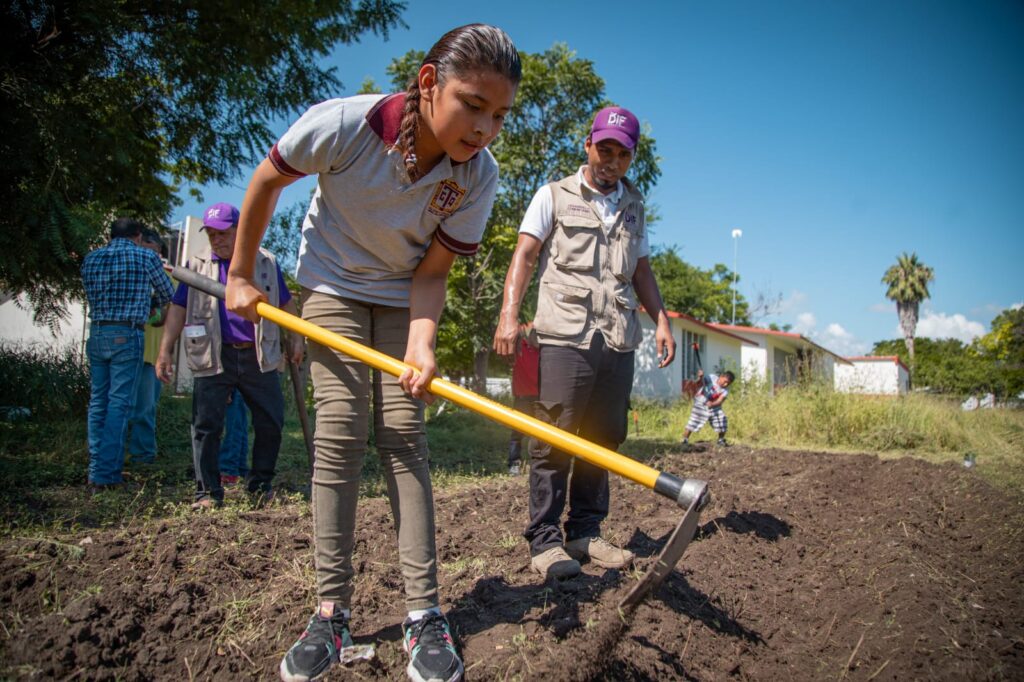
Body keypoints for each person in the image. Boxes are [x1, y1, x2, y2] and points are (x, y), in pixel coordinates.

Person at [225, 24, 520, 682]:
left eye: (498, 115)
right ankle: (330, 615)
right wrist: (241, 274)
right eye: (472, 105)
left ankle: (425, 616)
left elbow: (432, 273)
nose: (484, 128)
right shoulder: (345, 126)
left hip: (401, 293)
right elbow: (267, 181)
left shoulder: (478, 175)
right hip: (330, 282)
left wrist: (422, 345)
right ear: (428, 83)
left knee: (401, 432)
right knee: (338, 430)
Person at [493, 106, 676, 581]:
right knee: (554, 436)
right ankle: (545, 540)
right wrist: (509, 314)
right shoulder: (553, 195)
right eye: (604, 149)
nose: (610, 160)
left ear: (631, 158)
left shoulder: (634, 206)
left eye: (622, 154)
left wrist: (662, 321)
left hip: (617, 338)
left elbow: (641, 271)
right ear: (587, 145)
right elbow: (526, 254)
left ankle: (585, 532)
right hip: (565, 334)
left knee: (603, 439)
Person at [155, 202, 305, 510]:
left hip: (257, 355)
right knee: (206, 424)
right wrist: (165, 349)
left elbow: (286, 303)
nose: (216, 240)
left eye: (223, 233)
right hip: (214, 354)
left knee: (270, 421)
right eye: (211, 234)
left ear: (240, 231)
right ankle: (207, 493)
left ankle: (260, 485)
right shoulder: (196, 265)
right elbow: (178, 309)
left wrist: (297, 338)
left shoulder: (264, 261)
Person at [81, 218, 175, 489]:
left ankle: (96, 468)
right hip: (128, 333)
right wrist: (150, 302)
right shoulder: (145, 257)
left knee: (98, 402)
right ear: (137, 236)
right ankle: (106, 474)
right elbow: (168, 292)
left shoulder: (91, 258)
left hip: (98, 333)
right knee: (119, 404)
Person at [127, 229, 170, 464]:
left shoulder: (166, 276)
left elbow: (166, 315)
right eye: (142, 250)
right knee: (120, 405)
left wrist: (145, 316)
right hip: (124, 351)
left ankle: (142, 455)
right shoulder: (128, 274)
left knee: (144, 409)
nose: (145, 257)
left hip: (150, 354)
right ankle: (116, 453)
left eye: (151, 252)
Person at [508, 322, 539, 475]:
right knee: (517, 432)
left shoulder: (545, 352)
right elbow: (514, 330)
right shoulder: (521, 347)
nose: (536, 338)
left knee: (540, 433)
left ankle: (537, 464)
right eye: (534, 334)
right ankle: (514, 463)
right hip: (522, 396)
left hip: (541, 397)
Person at [680, 369, 735, 447]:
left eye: (728, 383)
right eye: (725, 381)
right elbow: (698, 383)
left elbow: (720, 401)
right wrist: (700, 377)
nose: (725, 384)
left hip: (714, 406)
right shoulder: (711, 377)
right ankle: (684, 439)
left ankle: (720, 440)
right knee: (693, 421)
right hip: (700, 403)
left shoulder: (725, 390)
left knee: (722, 419)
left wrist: (712, 404)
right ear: (721, 377)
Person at [218, 388, 250, 485]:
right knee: (240, 423)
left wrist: (228, 388)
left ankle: (228, 471)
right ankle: (240, 468)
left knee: (235, 425)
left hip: (236, 380)